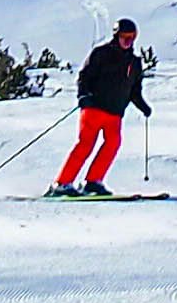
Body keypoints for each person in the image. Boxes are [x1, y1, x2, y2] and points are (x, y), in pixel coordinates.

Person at [53, 18, 149, 195]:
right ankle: (62, 183)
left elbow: (134, 89)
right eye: (124, 36)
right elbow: (84, 76)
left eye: (131, 37)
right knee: (86, 144)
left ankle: (93, 181)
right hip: (94, 107)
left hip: (115, 112)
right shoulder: (101, 53)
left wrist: (143, 106)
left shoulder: (134, 62)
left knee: (113, 143)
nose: (127, 41)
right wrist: (83, 95)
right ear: (116, 36)